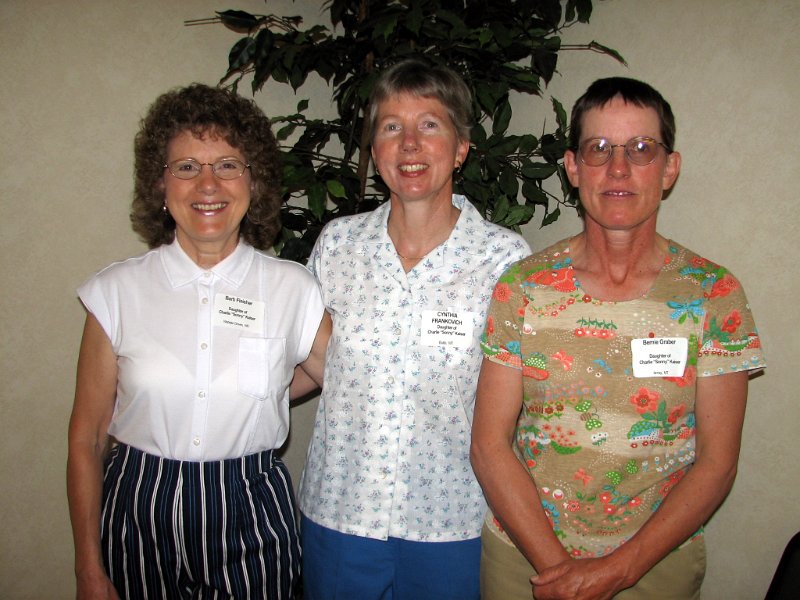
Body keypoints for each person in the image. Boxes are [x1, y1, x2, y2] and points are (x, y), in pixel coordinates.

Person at [470, 76, 766, 600]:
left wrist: (616, 572)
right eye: (599, 149)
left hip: (654, 567)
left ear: (669, 167)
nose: (619, 168)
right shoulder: (522, 287)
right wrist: (560, 570)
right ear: (573, 166)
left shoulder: (714, 295)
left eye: (641, 149)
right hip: (527, 565)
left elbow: (718, 463)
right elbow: (490, 446)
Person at [67, 83, 330, 600]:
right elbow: (88, 439)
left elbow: (343, 377)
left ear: (253, 181)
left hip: (251, 507)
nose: (208, 183)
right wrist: (88, 571)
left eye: (228, 165)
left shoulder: (293, 288)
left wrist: (269, 389)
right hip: (138, 505)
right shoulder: (115, 292)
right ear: (160, 185)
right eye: (186, 166)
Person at [296, 58, 531, 600]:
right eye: (391, 127)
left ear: (462, 147)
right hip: (340, 516)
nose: (409, 144)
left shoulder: (503, 260)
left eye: (429, 124)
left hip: (452, 522)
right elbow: (319, 364)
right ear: (374, 150)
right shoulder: (338, 246)